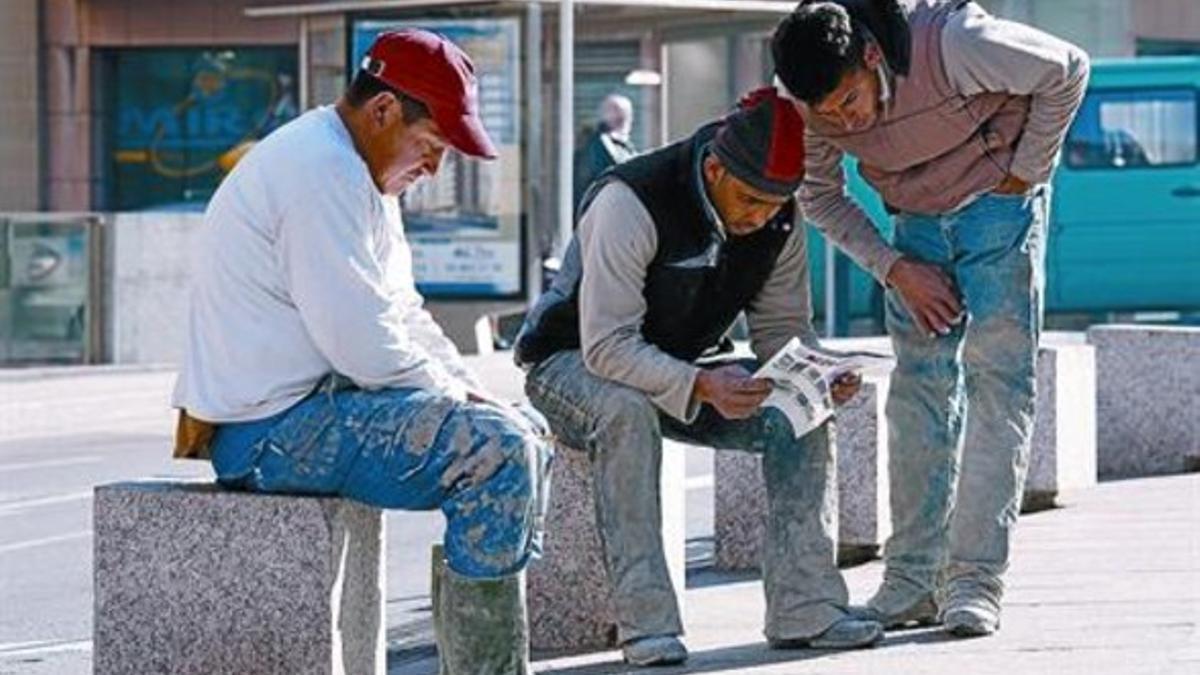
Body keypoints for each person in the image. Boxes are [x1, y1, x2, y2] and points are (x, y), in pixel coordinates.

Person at [171, 29, 552, 673]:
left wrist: (466, 386)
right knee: (499, 450)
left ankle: (484, 651)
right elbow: (365, 346)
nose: (434, 168)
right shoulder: (319, 172)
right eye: (431, 146)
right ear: (382, 112)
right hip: (268, 430)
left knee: (523, 430)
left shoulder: (356, 170)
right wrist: (462, 402)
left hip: (308, 411)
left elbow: (401, 311)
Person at [515, 87, 883, 667]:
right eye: (749, 201)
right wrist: (700, 384)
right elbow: (607, 345)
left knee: (800, 411)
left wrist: (817, 375)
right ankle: (646, 626)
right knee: (625, 411)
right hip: (571, 363)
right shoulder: (629, 200)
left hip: (683, 364)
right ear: (714, 167)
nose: (758, 218)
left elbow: (783, 331)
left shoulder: (780, 217)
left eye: (773, 205)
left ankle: (806, 607)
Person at [772, 0, 1090, 637]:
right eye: (828, 115)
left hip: (999, 209)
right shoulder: (805, 98)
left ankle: (974, 581)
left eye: (851, 101)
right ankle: (913, 580)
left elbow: (1068, 70)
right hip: (912, 226)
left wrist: (1024, 175)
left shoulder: (954, 43)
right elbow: (819, 193)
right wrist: (893, 267)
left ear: (871, 56)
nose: (845, 121)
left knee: (998, 386)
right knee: (918, 397)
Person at [573, 93, 638, 212]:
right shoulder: (602, 144)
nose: (622, 118)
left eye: (626, 115)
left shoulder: (622, 145)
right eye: (616, 113)